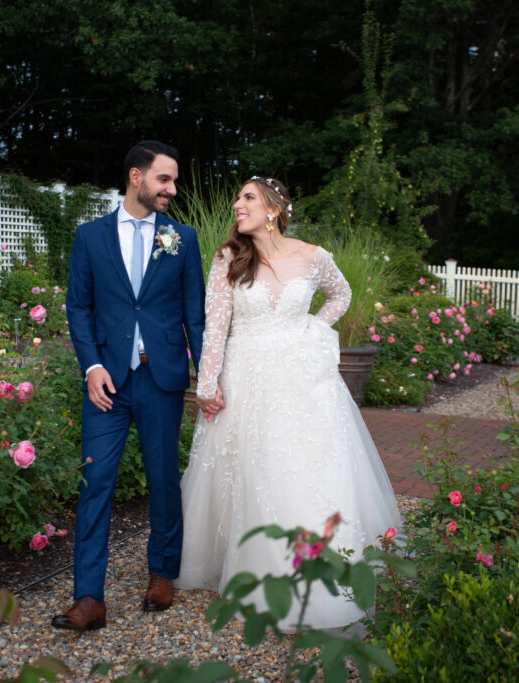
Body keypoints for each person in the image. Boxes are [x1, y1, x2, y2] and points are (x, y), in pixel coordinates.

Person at [176, 176, 400, 631]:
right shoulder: (228, 258)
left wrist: (315, 328)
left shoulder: (313, 256)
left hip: (302, 378)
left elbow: (342, 294)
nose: (238, 205)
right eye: (239, 198)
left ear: (274, 209)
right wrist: (208, 383)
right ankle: (253, 568)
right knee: (253, 467)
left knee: (306, 464)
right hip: (246, 376)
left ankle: (319, 568)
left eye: (248, 198)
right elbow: (215, 326)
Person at [53, 141, 206, 631]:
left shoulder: (182, 237)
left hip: (161, 377)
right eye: (165, 179)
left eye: (175, 181)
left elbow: (195, 316)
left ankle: (162, 573)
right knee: (94, 483)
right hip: (107, 383)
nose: (172, 190)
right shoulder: (89, 237)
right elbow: (78, 306)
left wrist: (208, 378)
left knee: (163, 478)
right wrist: (91, 365)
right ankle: (89, 598)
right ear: (136, 177)